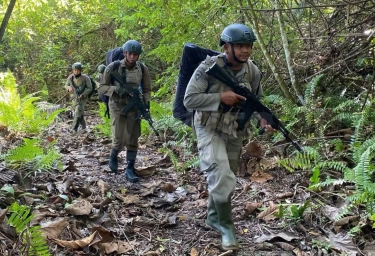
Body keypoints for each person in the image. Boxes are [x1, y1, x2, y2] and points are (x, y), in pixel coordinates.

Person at [183, 23, 275, 251]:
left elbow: (256, 100)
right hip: (208, 127)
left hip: (234, 128)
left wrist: (263, 118)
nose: (246, 50)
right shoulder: (208, 67)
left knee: (229, 175)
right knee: (221, 173)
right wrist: (219, 97)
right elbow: (189, 99)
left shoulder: (252, 71)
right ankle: (226, 226)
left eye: (249, 46)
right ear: (226, 47)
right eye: (240, 46)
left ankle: (213, 217)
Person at [98, 40, 151, 183]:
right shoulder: (113, 67)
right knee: (119, 137)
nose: (133, 57)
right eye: (130, 54)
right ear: (125, 53)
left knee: (133, 137)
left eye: (135, 54)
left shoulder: (142, 68)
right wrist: (117, 89)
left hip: (134, 106)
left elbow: (147, 90)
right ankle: (113, 155)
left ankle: (130, 168)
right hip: (117, 105)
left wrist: (145, 103)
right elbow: (102, 87)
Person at [65, 62, 93, 133]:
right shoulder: (70, 77)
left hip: (82, 98)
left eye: (78, 70)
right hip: (74, 97)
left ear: (80, 70)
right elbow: (66, 85)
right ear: (73, 70)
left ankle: (74, 128)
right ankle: (83, 126)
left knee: (77, 112)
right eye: (75, 70)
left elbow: (90, 88)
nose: (76, 71)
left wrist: (83, 94)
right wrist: (68, 88)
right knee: (79, 112)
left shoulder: (85, 78)